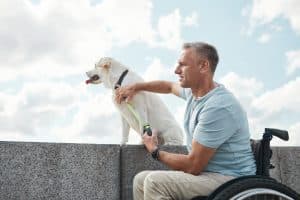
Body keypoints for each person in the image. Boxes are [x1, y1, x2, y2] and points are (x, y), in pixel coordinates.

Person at [115, 42, 256, 200]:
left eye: (182, 65)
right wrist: (136, 87)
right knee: (140, 180)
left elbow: (193, 166)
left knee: (155, 182)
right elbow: (168, 87)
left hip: (231, 179)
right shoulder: (193, 93)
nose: (176, 70)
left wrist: (155, 151)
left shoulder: (218, 107)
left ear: (203, 66)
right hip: (209, 174)